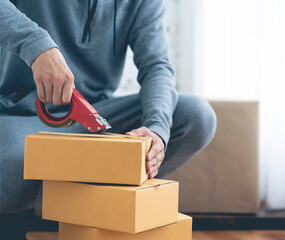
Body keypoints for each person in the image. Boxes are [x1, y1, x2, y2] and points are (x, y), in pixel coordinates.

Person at [0, 0, 216, 239]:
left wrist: (157, 127)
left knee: (197, 116)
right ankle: (92, 189)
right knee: (7, 180)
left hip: (97, 118)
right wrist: (35, 44)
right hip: (20, 116)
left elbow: (156, 65)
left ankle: (85, 193)